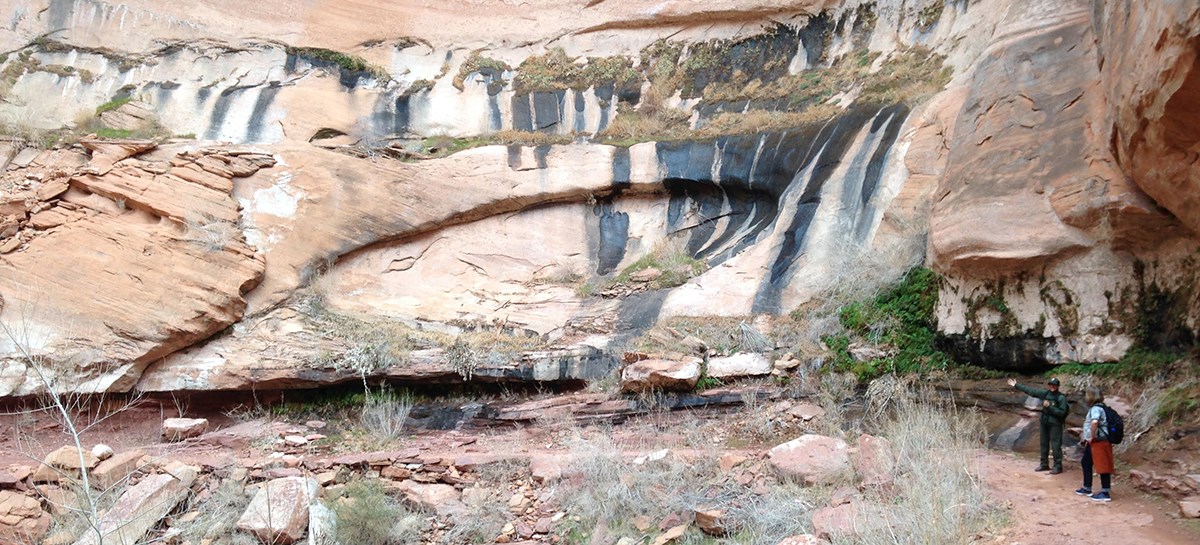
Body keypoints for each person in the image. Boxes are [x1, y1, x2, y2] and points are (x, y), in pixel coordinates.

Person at [1007, 377, 1069, 474]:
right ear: (1048, 385)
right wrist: (1016, 385)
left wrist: (1050, 407)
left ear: (1058, 386)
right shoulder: (1046, 394)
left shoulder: (1061, 398)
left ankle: (1058, 466)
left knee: (1056, 445)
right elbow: (1032, 391)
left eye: (1054, 385)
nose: (1052, 386)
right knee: (1043, 443)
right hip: (1044, 422)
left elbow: (1062, 412)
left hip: (1055, 424)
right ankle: (1044, 464)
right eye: (1051, 384)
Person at [1076, 386, 1114, 502]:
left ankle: (1105, 492)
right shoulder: (1102, 407)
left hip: (1098, 441)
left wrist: (1091, 436)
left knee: (1102, 465)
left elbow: (1094, 422)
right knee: (1086, 462)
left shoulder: (1096, 409)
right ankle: (1087, 488)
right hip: (1096, 441)